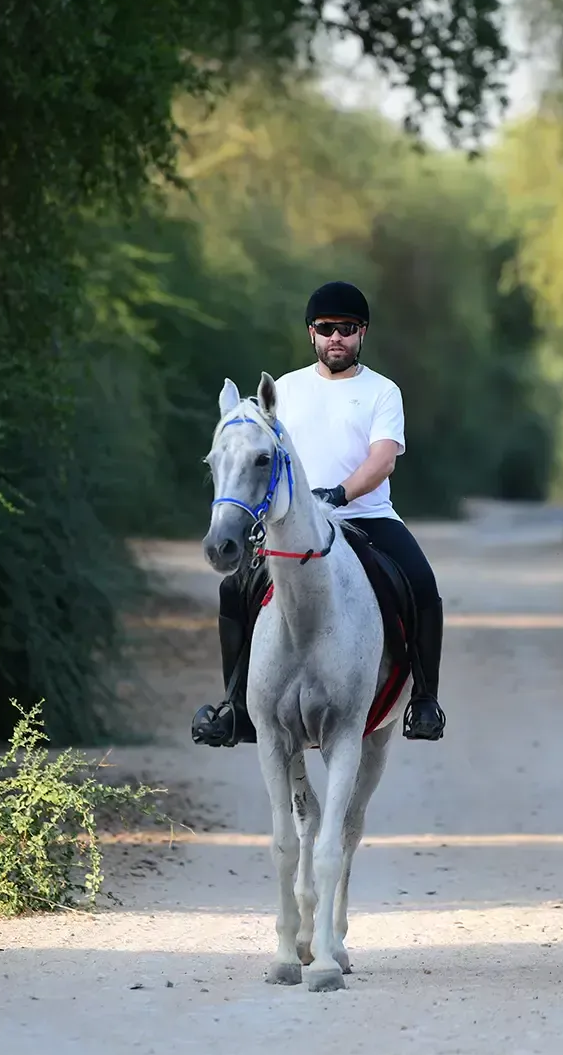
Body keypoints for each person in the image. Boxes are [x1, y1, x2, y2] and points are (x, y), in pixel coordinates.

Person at [191, 280, 447, 747]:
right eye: (326, 328)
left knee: (423, 588)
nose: (336, 338)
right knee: (234, 590)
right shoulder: (283, 390)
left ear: (362, 333)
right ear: (311, 333)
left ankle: (425, 701)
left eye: (346, 329)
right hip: (294, 526)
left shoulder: (382, 391)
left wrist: (339, 494)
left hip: (368, 516)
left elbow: (383, 459)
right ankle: (235, 707)